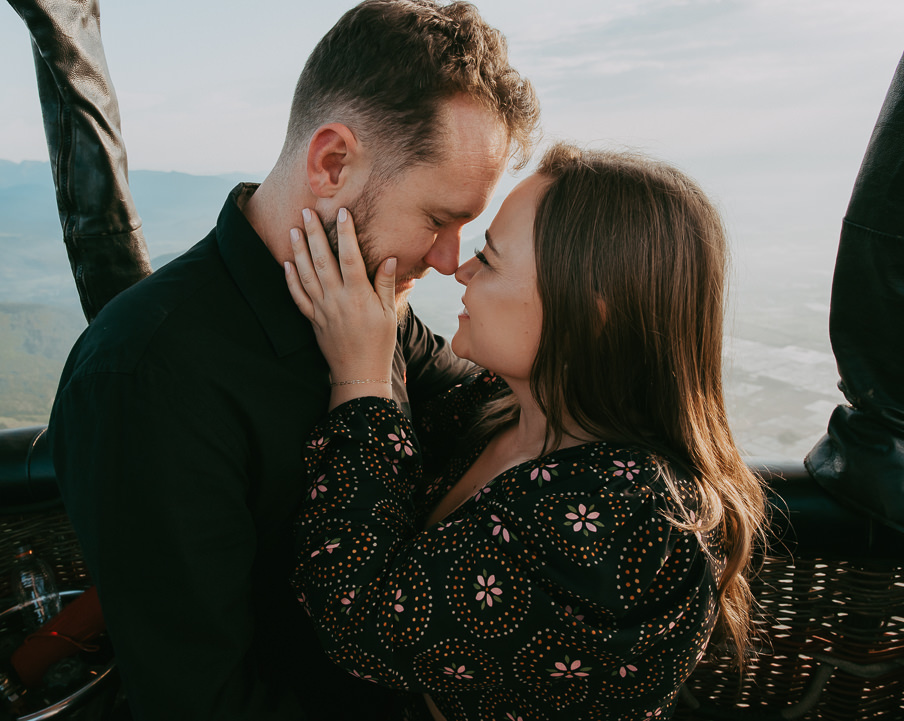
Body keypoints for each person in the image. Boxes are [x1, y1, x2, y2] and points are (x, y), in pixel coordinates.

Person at [46, 1, 539, 719]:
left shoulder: (369, 304)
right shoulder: (148, 377)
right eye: (438, 219)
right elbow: (203, 702)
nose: (446, 259)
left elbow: (487, 405)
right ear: (332, 161)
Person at [285, 143, 769, 720]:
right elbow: (409, 347)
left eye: (488, 258)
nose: (459, 268)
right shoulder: (508, 407)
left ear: (588, 313)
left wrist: (358, 378)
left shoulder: (623, 519)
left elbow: (358, 619)